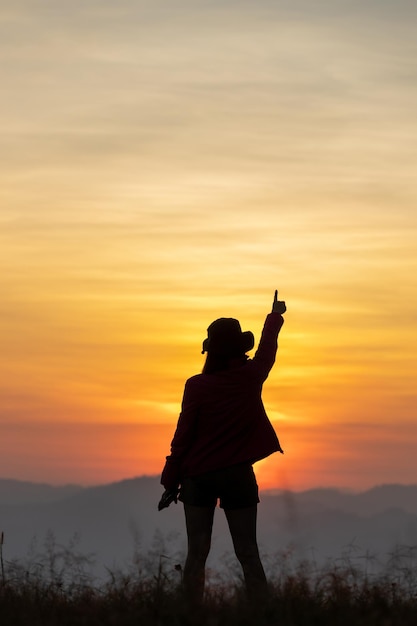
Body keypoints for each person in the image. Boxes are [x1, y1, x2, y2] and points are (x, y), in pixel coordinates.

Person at [159, 290, 286, 603]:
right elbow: (267, 353)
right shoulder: (250, 377)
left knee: (197, 554)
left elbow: (183, 434)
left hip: (198, 477)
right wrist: (274, 318)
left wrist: (171, 478)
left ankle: (189, 614)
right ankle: (263, 613)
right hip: (237, 476)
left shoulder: (196, 386)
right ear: (237, 351)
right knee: (248, 553)